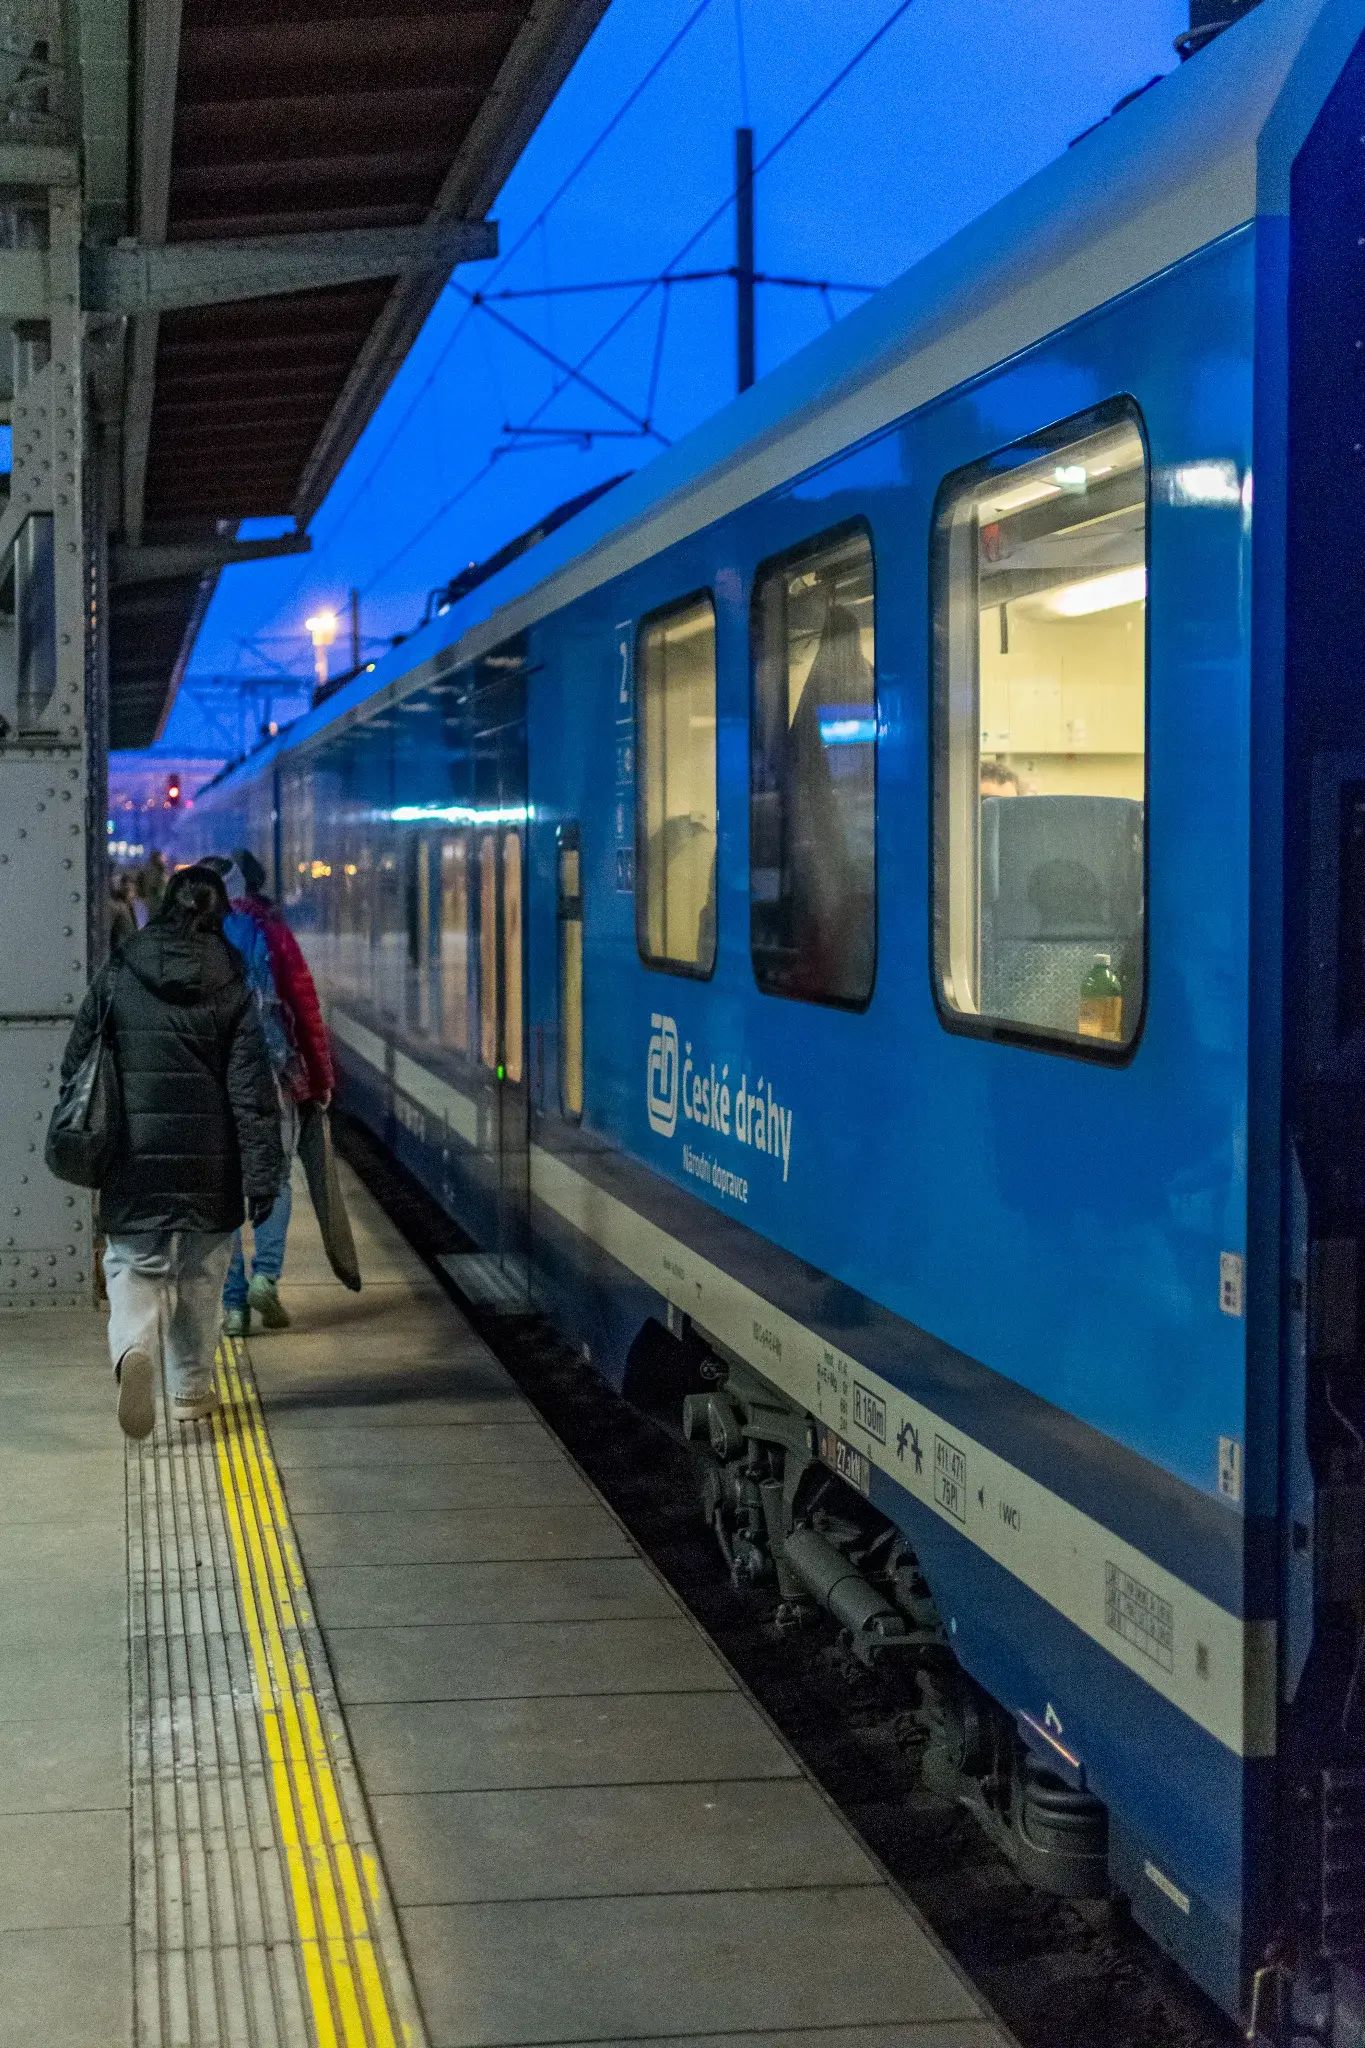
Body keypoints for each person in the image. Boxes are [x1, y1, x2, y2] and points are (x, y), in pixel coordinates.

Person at [60, 865, 284, 1436]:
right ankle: (190, 1390)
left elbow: (77, 1059)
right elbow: (252, 1092)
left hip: (133, 1151)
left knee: (135, 1263)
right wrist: (264, 1178)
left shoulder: (121, 968)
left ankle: (134, 1348)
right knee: (202, 1272)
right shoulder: (233, 981)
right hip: (212, 1159)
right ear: (219, 915)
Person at [213, 848, 333, 1335]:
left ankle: (233, 1305)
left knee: (221, 1188)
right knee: (276, 1177)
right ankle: (266, 1277)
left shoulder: (191, 937)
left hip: (212, 1079)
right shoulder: (271, 932)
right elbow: (304, 1008)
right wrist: (319, 1079)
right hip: (270, 1075)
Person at [108, 871, 137, 955]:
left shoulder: (129, 906)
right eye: (128, 888)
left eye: (132, 887)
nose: (131, 889)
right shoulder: (116, 906)